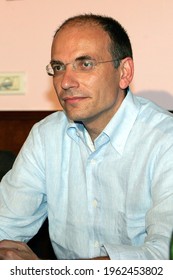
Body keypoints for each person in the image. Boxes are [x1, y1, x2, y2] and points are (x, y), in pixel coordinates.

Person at [0, 14, 173, 260]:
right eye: (59, 67)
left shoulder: (166, 140)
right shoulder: (45, 136)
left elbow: (164, 255)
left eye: (85, 64)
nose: (66, 82)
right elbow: (5, 223)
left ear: (124, 72)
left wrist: (51, 274)